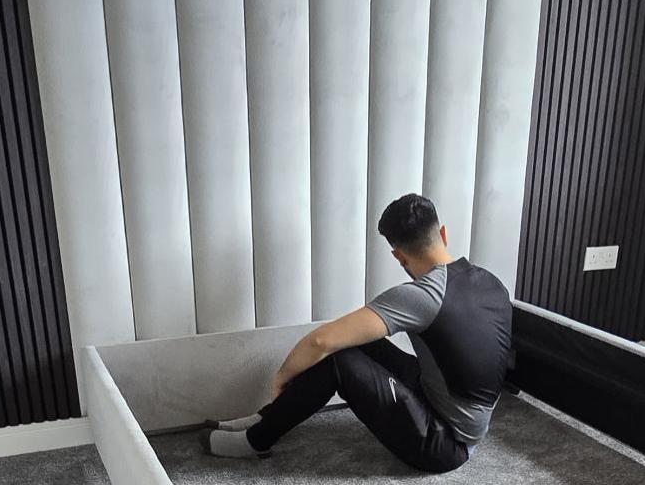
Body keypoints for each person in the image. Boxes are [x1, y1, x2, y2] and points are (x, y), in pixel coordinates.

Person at [202, 193, 513, 472]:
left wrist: (282, 377)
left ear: (398, 256)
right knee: (362, 342)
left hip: (445, 442)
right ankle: (266, 418)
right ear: (443, 234)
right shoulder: (490, 282)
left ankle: (256, 440)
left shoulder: (422, 295)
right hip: (456, 412)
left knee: (338, 359)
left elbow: (321, 340)